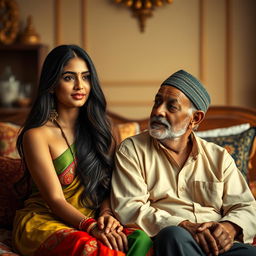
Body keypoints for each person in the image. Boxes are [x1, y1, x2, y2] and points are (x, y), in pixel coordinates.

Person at [12, 44, 152, 256]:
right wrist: (92, 227)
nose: (80, 85)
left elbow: (110, 185)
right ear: (51, 84)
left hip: (90, 219)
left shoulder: (103, 130)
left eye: (85, 77)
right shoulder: (37, 135)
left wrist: (105, 214)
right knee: (91, 248)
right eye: (69, 77)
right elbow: (55, 200)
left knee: (139, 240)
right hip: (45, 221)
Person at [111, 69, 256, 256]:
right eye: (157, 102)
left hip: (217, 245)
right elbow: (129, 208)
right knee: (172, 235)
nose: (158, 111)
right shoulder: (131, 150)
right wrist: (184, 225)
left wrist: (229, 228)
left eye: (171, 107)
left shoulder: (219, 157)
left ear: (195, 119)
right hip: (174, 241)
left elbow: (247, 206)